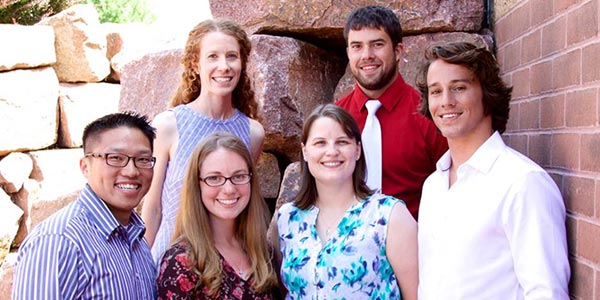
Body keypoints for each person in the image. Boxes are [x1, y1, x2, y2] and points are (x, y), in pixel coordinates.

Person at [415, 41, 570, 299]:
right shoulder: (433, 185)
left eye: (459, 88)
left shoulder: (522, 183)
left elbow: (547, 292)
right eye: (436, 91)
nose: (446, 101)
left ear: (487, 94)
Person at [142, 19, 265, 264]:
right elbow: (153, 207)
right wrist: (140, 268)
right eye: (213, 57)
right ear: (194, 64)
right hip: (169, 264)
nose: (224, 66)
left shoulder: (252, 133)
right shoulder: (168, 126)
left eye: (232, 56)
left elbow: (239, 204)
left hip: (223, 268)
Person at [273, 104, 417, 299]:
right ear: (305, 151)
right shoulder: (287, 219)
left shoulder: (388, 215)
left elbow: (417, 294)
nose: (332, 151)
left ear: (357, 150)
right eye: (320, 143)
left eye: (342, 142)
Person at [12, 112, 157, 299]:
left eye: (143, 159)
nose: (131, 171)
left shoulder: (135, 237)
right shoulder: (60, 240)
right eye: (115, 158)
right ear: (85, 166)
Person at [335, 5, 448, 219]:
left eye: (377, 45)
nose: (367, 55)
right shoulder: (335, 119)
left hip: (415, 245)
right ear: (348, 53)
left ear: (398, 51)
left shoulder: (428, 114)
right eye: (357, 46)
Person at [156, 132, 279, 299]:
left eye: (239, 176)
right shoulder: (180, 261)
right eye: (214, 178)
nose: (229, 189)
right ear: (197, 185)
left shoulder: (264, 254)